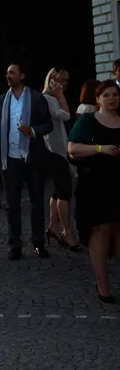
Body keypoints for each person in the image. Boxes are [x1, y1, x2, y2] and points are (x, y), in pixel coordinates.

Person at [0, 63, 53, 260]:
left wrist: (33, 131)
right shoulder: (2, 100)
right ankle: (14, 245)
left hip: (32, 157)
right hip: (11, 159)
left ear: (22, 75)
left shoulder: (36, 97)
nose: (8, 75)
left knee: (36, 203)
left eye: (12, 73)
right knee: (12, 204)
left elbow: (48, 124)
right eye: (7, 72)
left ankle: (38, 243)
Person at [68, 80, 120, 303]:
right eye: (106, 95)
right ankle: (102, 285)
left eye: (115, 94)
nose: (112, 98)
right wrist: (100, 148)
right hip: (96, 184)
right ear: (98, 99)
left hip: (118, 183)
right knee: (100, 230)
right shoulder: (88, 120)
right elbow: (72, 149)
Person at [42, 68, 80, 252]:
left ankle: (53, 227)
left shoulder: (52, 98)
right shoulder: (50, 99)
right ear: (50, 81)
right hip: (55, 151)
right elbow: (65, 115)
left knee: (58, 191)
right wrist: (60, 96)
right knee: (65, 191)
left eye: (65, 81)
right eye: (58, 81)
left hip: (57, 150)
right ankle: (67, 232)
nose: (62, 85)